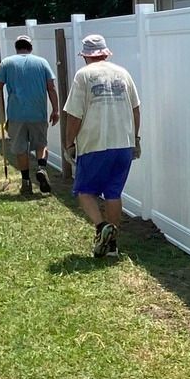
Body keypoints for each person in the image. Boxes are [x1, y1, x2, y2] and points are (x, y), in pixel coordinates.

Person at [62, 33, 140, 258]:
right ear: (106, 53)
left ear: (85, 56)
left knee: (84, 191)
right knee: (113, 193)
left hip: (95, 143)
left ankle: (101, 226)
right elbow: (136, 108)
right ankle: (112, 247)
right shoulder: (123, 73)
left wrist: (69, 143)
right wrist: (135, 139)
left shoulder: (83, 76)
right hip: (123, 144)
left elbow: (74, 114)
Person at [0, 35, 58, 197]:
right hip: (38, 113)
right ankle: (41, 167)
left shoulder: (7, 62)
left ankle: (26, 183)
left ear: (17, 47)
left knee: (21, 149)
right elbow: (51, 87)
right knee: (41, 145)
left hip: (16, 115)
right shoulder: (41, 62)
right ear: (30, 47)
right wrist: (55, 110)